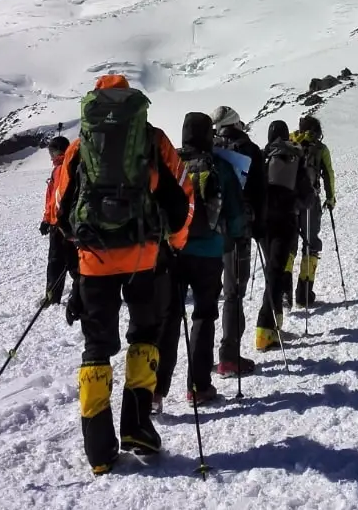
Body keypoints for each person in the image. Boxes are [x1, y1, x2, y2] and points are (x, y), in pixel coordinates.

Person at [56, 74, 194, 476]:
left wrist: (77, 254)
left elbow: (62, 210)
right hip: (143, 256)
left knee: (96, 346)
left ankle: (98, 451)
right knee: (145, 334)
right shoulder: (153, 140)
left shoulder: (81, 147)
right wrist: (177, 242)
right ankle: (137, 426)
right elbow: (182, 196)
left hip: (93, 259)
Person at [154, 111, 247, 409]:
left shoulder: (171, 163)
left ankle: (156, 391)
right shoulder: (219, 165)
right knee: (204, 316)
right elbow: (233, 215)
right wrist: (234, 236)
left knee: (169, 318)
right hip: (209, 253)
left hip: (173, 251)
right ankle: (198, 387)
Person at [210, 105, 267, 378]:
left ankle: (200, 365)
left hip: (208, 231)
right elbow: (259, 191)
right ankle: (229, 357)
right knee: (233, 294)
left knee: (207, 295)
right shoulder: (249, 149)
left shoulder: (208, 149)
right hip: (238, 231)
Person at [255, 119, 311, 351]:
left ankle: (273, 325)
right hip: (286, 221)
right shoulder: (295, 156)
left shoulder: (261, 155)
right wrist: (296, 205)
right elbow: (307, 196)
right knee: (276, 274)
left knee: (272, 271)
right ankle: (264, 330)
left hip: (264, 222)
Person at [286, 114, 336, 309]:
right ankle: (304, 294)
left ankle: (284, 292)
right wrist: (331, 199)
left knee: (289, 245)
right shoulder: (320, 148)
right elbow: (328, 175)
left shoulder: (289, 141)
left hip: (288, 201)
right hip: (310, 201)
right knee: (311, 244)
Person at [39, 135, 79, 309]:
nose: (51, 155)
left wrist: (50, 220)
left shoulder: (64, 168)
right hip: (67, 224)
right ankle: (81, 292)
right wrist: (47, 219)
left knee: (58, 261)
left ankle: (53, 296)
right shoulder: (66, 167)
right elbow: (53, 199)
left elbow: (58, 198)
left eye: (53, 151)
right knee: (73, 261)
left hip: (62, 224)